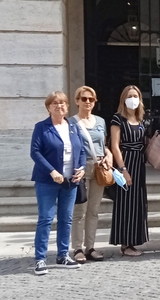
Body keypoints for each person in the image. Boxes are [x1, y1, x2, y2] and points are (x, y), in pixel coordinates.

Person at [31, 91, 86, 275]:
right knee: (46, 219)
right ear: (48, 107)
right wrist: (52, 171)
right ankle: (40, 259)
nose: (59, 106)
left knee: (66, 219)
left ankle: (63, 255)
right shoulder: (41, 127)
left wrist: (82, 168)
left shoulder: (73, 126)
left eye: (62, 103)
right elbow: (35, 152)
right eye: (54, 103)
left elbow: (82, 151)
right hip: (47, 180)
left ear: (67, 106)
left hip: (71, 181)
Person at [70, 86, 112, 263]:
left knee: (94, 210)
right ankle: (77, 248)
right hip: (81, 167)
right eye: (84, 98)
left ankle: (90, 246)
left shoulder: (101, 121)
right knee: (80, 210)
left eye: (91, 99)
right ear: (77, 101)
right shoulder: (71, 122)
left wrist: (108, 156)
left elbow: (104, 145)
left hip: (99, 167)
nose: (88, 102)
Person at [109, 85, 149, 256]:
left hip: (139, 164)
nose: (133, 98)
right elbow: (115, 146)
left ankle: (134, 240)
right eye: (130, 95)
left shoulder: (141, 120)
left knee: (138, 203)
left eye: (136, 95)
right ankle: (125, 243)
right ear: (123, 99)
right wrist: (123, 169)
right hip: (126, 162)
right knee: (126, 203)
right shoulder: (118, 119)